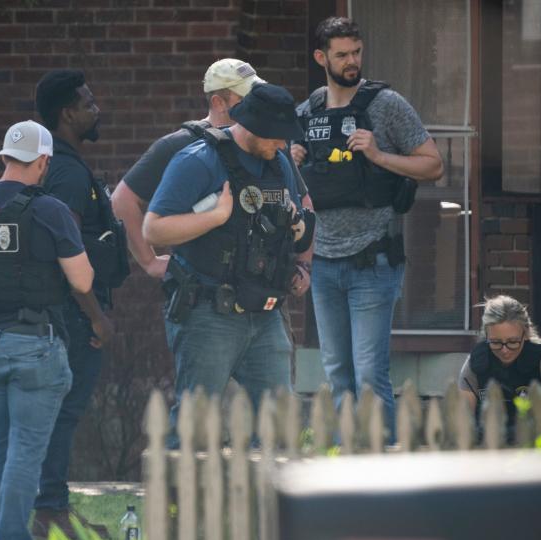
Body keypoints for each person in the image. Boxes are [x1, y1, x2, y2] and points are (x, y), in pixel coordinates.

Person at [0, 120, 97, 540]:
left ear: (4, 159)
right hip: (34, 343)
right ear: (44, 162)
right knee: (25, 451)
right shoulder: (48, 209)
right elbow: (82, 280)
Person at [291, 16, 444, 438]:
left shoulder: (386, 105)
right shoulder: (307, 112)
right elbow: (297, 195)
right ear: (322, 57)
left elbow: (433, 164)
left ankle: (385, 473)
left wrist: (379, 156)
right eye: (342, 54)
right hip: (322, 264)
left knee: (369, 374)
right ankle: (345, 471)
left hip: (372, 261)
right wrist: (292, 163)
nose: (352, 61)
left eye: (356, 52)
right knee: (337, 374)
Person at [143, 82, 315, 433]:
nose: (282, 144)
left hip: (266, 313)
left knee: (279, 426)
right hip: (209, 313)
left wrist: (300, 267)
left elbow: (293, 220)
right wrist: (215, 217)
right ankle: (180, 489)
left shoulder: (279, 164)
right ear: (252, 126)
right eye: (275, 136)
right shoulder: (199, 160)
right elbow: (153, 229)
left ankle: (266, 490)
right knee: (197, 427)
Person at [112, 58, 313, 283]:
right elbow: (122, 200)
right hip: (208, 292)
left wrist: (302, 265)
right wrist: (150, 262)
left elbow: (303, 202)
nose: (255, 103)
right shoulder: (183, 146)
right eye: (245, 97)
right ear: (218, 102)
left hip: (265, 289)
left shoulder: (269, 142)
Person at [32, 70, 120, 540]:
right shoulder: (66, 171)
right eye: (88, 103)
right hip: (73, 315)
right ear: (68, 114)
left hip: (70, 311)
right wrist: (96, 316)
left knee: (59, 413)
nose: (95, 108)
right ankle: (49, 511)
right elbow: (65, 248)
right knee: (62, 413)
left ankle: (50, 507)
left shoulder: (65, 165)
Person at [458, 295, 541, 437]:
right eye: (496, 342)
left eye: (513, 341)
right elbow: (460, 424)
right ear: (486, 335)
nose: (505, 350)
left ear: (526, 334)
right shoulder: (475, 362)